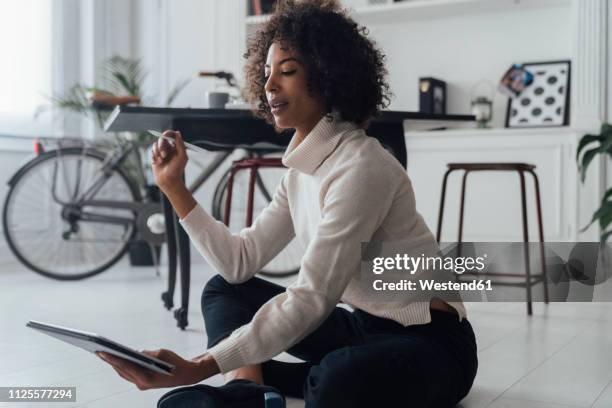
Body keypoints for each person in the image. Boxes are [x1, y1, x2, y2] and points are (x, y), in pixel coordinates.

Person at [97, 1, 478, 407]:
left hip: (431, 344)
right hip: (362, 326)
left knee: (336, 380)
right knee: (225, 289)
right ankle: (248, 390)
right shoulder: (301, 171)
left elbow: (312, 296)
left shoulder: (363, 166)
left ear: (329, 76)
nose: (270, 85)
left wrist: (200, 365)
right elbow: (239, 262)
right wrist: (174, 187)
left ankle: (257, 385)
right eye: (266, 74)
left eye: (288, 71)